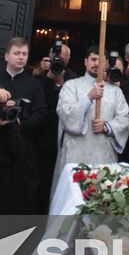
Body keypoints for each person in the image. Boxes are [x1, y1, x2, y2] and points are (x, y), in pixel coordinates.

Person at [0, 36, 49, 215]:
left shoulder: (34, 85)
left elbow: (42, 114)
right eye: (17, 53)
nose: (21, 57)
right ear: (7, 56)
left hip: (23, 149)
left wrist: (19, 122)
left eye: (24, 54)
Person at [52, 48, 129, 197]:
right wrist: (88, 98)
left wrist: (107, 126)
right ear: (85, 62)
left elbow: (125, 119)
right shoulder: (71, 86)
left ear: (107, 63)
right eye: (93, 59)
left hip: (104, 157)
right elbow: (65, 112)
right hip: (75, 156)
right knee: (73, 201)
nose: (97, 63)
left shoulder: (115, 91)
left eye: (101, 60)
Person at [34, 41, 78, 213]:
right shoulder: (41, 75)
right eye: (55, 56)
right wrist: (45, 77)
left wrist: (59, 83)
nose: (58, 59)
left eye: (63, 56)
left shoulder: (74, 78)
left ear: (68, 59)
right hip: (39, 137)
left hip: (60, 138)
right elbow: (36, 98)